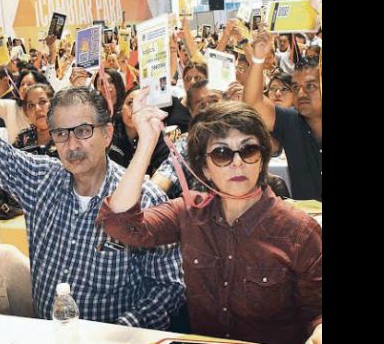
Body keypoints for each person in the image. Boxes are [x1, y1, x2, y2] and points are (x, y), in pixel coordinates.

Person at [0, 19, 184, 328]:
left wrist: (117, 332)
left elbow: (168, 286)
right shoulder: (41, 180)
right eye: (60, 134)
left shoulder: (144, 197)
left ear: (108, 133)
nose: (72, 145)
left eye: (83, 131)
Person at [97, 94, 322, 344]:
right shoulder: (190, 212)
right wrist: (146, 144)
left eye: (248, 150)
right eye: (222, 154)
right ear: (204, 168)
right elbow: (120, 224)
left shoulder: (300, 231)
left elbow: (317, 311)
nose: (237, 163)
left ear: (262, 159)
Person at [244, 33, 321, 201]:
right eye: (295, 87)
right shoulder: (291, 122)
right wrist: (257, 60)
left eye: (311, 86)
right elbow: (253, 104)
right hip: (309, 223)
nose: (301, 93)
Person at [109, 86, 170, 175]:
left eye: (142, 104)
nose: (134, 109)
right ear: (122, 108)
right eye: (130, 103)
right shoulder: (109, 132)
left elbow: (159, 179)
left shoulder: (158, 138)